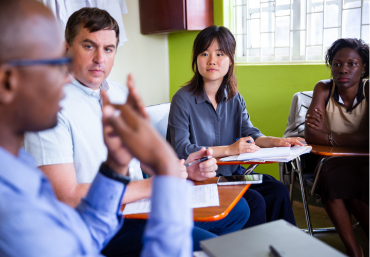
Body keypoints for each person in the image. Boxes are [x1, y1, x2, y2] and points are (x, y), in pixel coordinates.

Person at [24, 7, 249, 255]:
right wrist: (153, 185)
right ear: (66, 48)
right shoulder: (51, 107)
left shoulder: (118, 93)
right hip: (101, 223)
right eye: (89, 46)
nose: (100, 58)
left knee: (238, 211)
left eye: (108, 49)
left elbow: (141, 163)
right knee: (205, 246)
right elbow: (66, 197)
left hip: (141, 204)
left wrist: (185, 169)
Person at [0, 0, 193, 256]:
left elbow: (84, 239)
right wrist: (167, 174)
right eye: (53, 62)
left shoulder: (20, 169)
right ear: (8, 82)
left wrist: (115, 168)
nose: (65, 76)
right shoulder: (13, 210)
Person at [167, 25, 303, 228]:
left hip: (234, 175)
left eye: (220, 54)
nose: (212, 60)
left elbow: (250, 134)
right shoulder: (182, 99)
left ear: (230, 61)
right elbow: (181, 149)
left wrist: (278, 142)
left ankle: (283, 248)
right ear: (196, 60)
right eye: (204, 53)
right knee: (255, 201)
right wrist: (229, 150)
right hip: (204, 179)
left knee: (277, 190)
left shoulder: (234, 97)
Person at [305, 38, 369, 257]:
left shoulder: (369, 89)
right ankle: (354, 250)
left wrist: (329, 136)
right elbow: (311, 134)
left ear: (363, 68)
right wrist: (358, 137)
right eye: (337, 63)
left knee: (360, 179)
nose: (343, 69)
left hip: (366, 159)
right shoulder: (323, 88)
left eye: (352, 63)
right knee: (329, 177)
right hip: (332, 159)